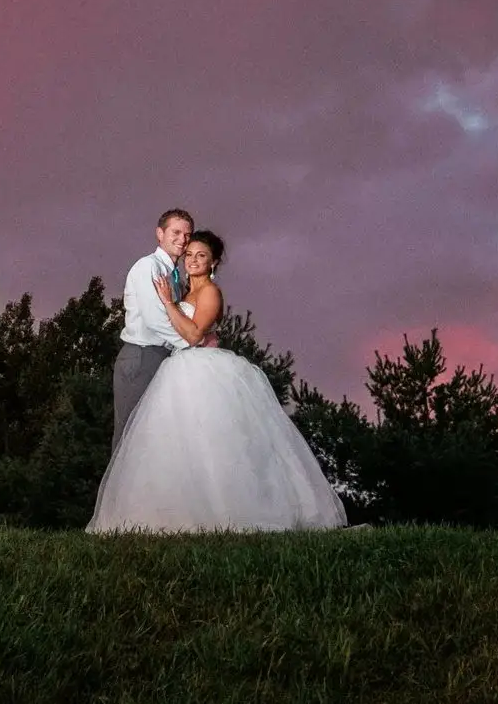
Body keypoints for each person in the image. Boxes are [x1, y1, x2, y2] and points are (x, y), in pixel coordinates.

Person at [89, 228, 346, 533]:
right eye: (189, 255)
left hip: (203, 369)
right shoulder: (185, 292)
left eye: (201, 256)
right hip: (178, 367)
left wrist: (169, 304)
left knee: (214, 439)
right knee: (179, 442)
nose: (193, 260)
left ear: (213, 263)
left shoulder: (210, 292)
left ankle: (231, 513)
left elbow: (195, 334)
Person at [113, 207, 196, 440]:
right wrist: (191, 344)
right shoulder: (148, 267)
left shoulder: (175, 275)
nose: (182, 239)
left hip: (163, 359)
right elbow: (155, 320)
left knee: (154, 438)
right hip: (141, 357)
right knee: (130, 436)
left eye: (187, 235)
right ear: (160, 234)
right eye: (176, 232)